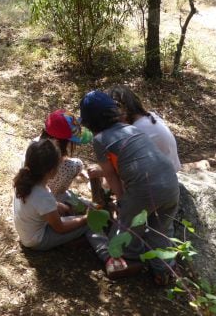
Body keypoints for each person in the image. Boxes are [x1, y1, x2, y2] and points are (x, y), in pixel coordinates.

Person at [80, 90, 180, 285]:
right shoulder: (132, 129)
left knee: (127, 232)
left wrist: (122, 200)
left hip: (145, 189)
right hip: (171, 183)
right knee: (161, 230)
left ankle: (132, 260)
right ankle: (164, 271)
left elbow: (110, 174)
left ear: (89, 121)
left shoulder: (100, 140)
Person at [13, 139, 89, 251]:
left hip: (28, 233)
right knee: (87, 224)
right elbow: (60, 228)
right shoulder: (43, 196)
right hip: (37, 241)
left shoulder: (23, 181)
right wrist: (86, 218)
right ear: (52, 171)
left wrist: (56, 205)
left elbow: (36, 204)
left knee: (70, 215)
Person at [106, 85, 181, 172]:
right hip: (170, 169)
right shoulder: (150, 116)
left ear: (123, 111)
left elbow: (123, 168)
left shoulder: (135, 131)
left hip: (162, 177)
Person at [39, 109, 93, 214]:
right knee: (89, 207)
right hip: (55, 203)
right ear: (64, 143)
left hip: (38, 205)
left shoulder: (32, 149)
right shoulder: (72, 165)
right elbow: (76, 166)